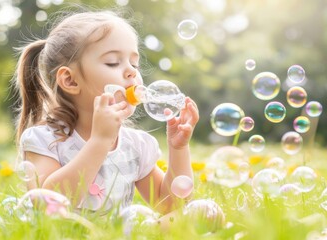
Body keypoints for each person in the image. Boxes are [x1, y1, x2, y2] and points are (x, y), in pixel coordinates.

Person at [13, 8, 199, 215]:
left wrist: (179, 149)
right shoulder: (45, 139)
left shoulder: (135, 146)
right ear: (70, 80)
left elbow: (170, 206)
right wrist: (100, 141)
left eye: (134, 63)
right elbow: (46, 204)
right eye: (112, 62)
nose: (131, 71)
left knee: (181, 221)